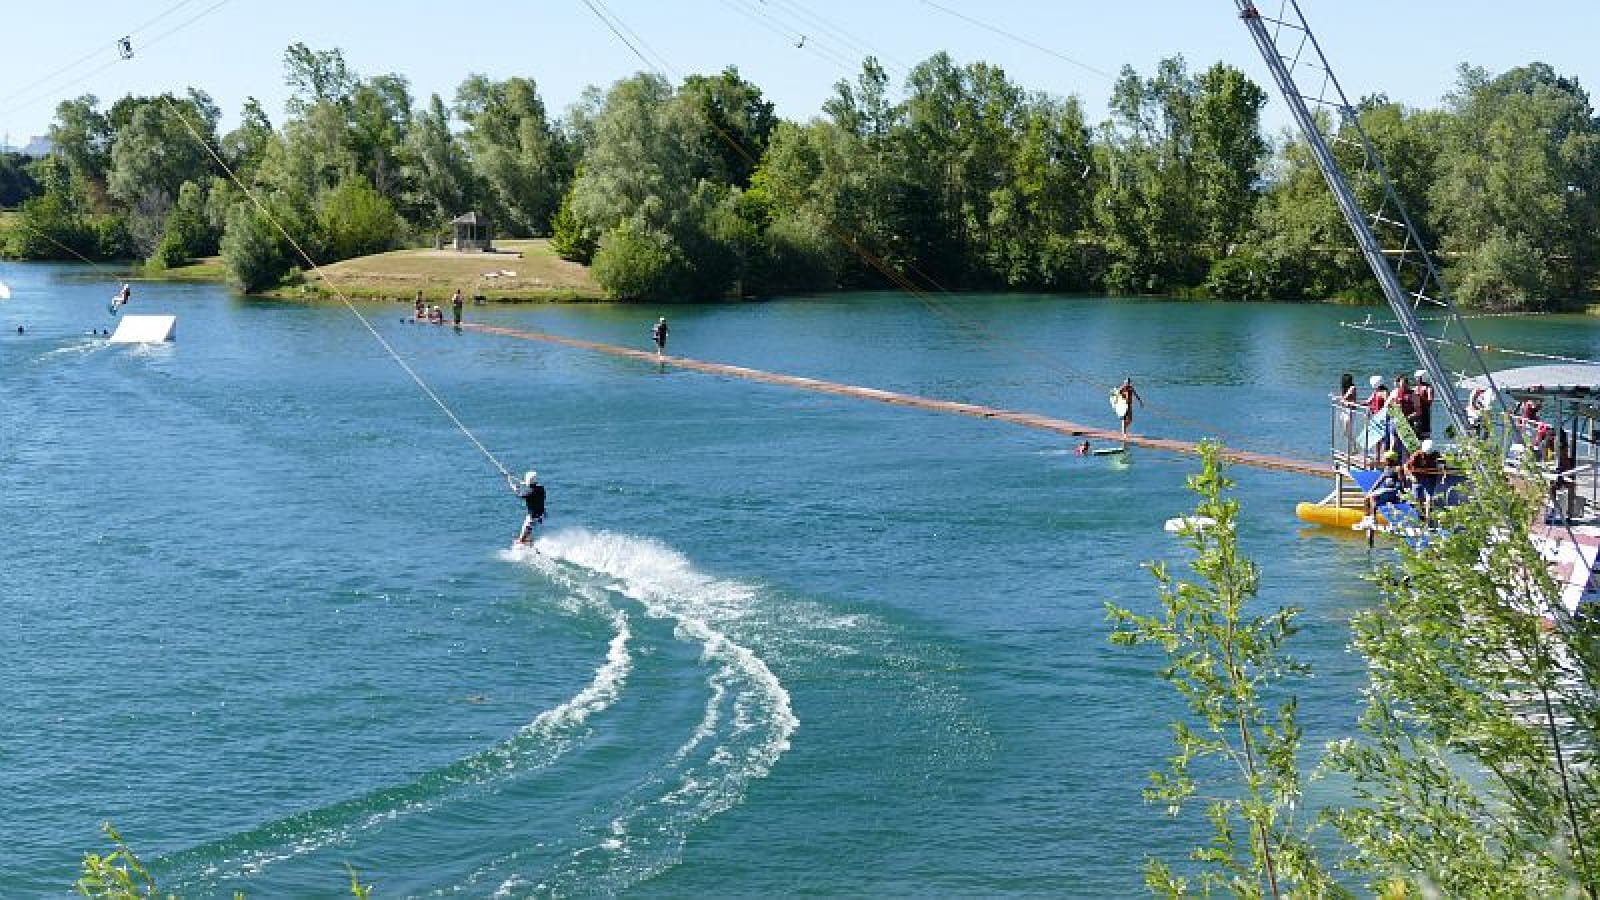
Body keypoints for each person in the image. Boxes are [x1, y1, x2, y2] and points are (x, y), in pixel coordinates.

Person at [1358, 450, 1407, 529]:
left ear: (1390, 460)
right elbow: (1380, 480)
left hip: (1394, 491)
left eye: (1385, 459)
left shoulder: (1398, 469)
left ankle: (1373, 520)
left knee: (1374, 497)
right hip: (1386, 490)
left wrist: (1403, 494)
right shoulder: (1387, 468)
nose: (1384, 460)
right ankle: (1367, 519)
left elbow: (1403, 482)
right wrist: (1371, 490)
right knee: (1367, 498)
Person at [1405, 438, 1446, 520]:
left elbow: (1442, 464)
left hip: (1430, 478)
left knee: (1429, 498)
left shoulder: (1435, 454)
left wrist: (1442, 470)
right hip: (1417, 479)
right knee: (1417, 499)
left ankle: (1428, 519)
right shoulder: (1416, 455)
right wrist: (1411, 476)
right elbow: (1406, 467)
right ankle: (1420, 516)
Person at [510, 470, 546, 544]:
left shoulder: (530, 494)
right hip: (542, 516)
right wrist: (524, 483)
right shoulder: (541, 489)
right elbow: (532, 488)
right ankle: (529, 542)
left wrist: (514, 489)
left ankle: (524, 544)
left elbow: (520, 495)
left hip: (532, 518)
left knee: (521, 539)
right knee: (530, 536)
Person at [1412, 369, 1434, 437]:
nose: (1416, 379)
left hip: (1425, 412)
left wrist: (1420, 397)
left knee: (1425, 430)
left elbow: (1430, 401)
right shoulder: (1415, 388)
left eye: (1418, 378)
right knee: (1416, 430)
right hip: (1416, 412)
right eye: (1416, 378)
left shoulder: (1428, 388)